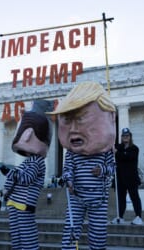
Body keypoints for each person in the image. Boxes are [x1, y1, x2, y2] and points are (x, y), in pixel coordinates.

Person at [48, 82, 116, 250]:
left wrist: (102, 170)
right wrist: (69, 181)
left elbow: (113, 169)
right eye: (67, 120)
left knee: (98, 234)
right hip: (76, 197)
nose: (73, 129)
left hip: (98, 198)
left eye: (81, 118)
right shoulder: (72, 153)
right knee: (71, 231)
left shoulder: (106, 151)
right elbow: (67, 169)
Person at [0, 100, 52, 250]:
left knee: (27, 236)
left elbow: (26, 179)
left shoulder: (38, 161)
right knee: (16, 235)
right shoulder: (28, 161)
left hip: (25, 204)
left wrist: (9, 172)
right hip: (15, 202)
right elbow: (15, 177)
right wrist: (6, 190)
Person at [112, 127, 143, 225]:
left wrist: (118, 153)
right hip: (120, 177)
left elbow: (127, 157)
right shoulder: (118, 147)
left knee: (135, 197)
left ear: (130, 137)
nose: (125, 137)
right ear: (121, 137)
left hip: (131, 178)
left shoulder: (134, 148)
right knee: (121, 199)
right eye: (123, 136)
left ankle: (138, 216)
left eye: (127, 136)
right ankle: (120, 216)